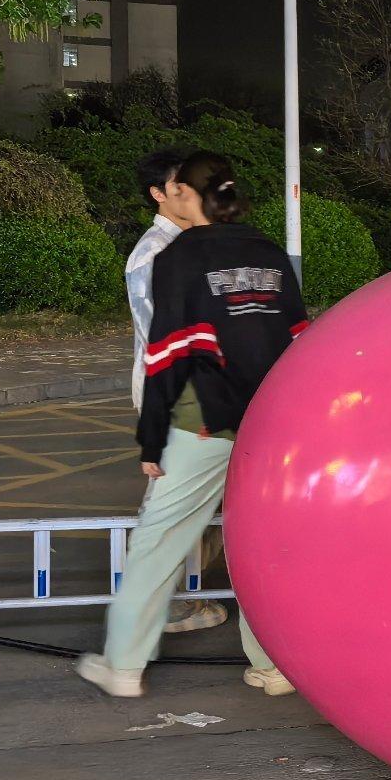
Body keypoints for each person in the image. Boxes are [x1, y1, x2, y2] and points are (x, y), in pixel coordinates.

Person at [79, 151, 308, 699]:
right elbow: (298, 337)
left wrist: (151, 439)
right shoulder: (269, 251)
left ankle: (124, 666)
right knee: (259, 543)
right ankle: (276, 666)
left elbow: (167, 354)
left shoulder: (180, 256)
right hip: (270, 418)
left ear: (188, 195)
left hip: (202, 423)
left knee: (158, 543)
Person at [126, 148, 231, 638]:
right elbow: (168, 340)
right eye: (180, 186)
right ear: (158, 194)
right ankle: (159, 608)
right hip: (179, 394)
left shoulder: (195, 246)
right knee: (172, 503)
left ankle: (179, 595)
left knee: (207, 498)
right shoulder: (155, 255)